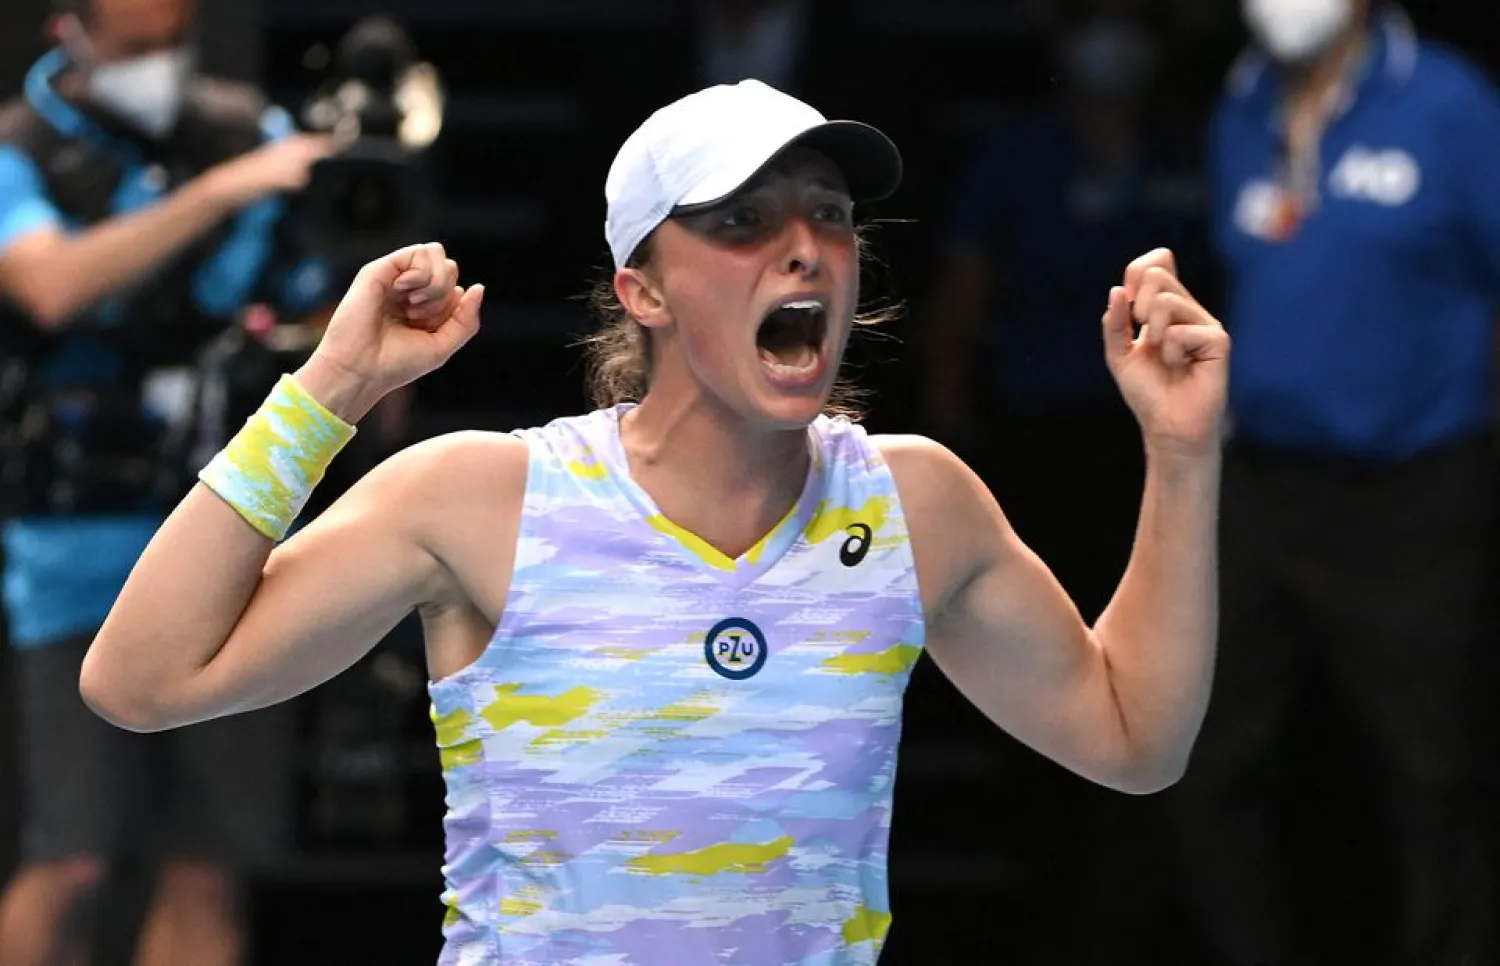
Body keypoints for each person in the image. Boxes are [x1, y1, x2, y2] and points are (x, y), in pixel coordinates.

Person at [79, 78, 1229, 964]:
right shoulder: (484, 499)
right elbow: (142, 679)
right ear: (645, 289)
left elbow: (1135, 741)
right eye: (741, 220)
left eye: (829, 215)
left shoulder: (914, 501)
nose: (803, 247)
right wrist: (328, 390)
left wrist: (1181, 456)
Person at [1164, 3, 1500, 965]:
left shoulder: (1451, 105)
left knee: (1432, 777)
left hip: (1414, 496)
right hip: (1262, 492)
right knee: (1200, 760)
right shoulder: (1237, 106)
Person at [0, 0, 334, 962]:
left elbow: (302, 289)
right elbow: (53, 286)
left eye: (176, 40)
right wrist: (224, 191)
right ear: (73, 29)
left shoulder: (245, 128)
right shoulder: (22, 149)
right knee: (72, 858)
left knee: (205, 861)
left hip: (232, 546)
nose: (163, 63)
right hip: (73, 550)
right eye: (139, 47)